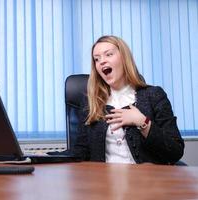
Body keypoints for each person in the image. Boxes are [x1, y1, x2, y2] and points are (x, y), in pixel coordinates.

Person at [73, 35, 184, 164]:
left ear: (124, 59)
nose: (101, 61)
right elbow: (79, 151)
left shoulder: (154, 95)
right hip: (103, 181)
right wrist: (47, 156)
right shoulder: (90, 103)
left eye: (108, 54)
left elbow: (175, 151)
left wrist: (142, 122)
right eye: (96, 59)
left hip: (147, 180)